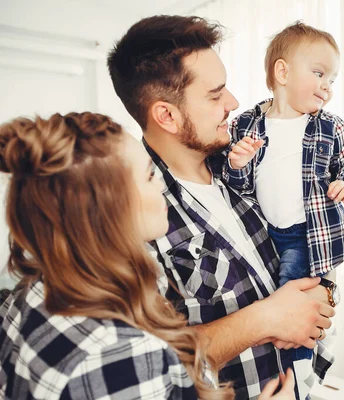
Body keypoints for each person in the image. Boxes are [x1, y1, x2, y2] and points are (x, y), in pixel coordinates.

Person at [107, 16, 335, 399]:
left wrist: (323, 292)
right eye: (215, 95)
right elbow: (144, 365)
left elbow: (306, 239)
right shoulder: (133, 213)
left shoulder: (245, 163)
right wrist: (265, 319)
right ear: (167, 115)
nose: (233, 103)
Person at [0, 112, 295, 399]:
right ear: (109, 209)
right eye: (149, 175)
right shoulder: (121, 357)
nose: (160, 187)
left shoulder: (28, 294)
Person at [223, 22, 344, 361]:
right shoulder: (246, 124)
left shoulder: (329, 126)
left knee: (294, 295)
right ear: (282, 72)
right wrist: (238, 164)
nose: (327, 87)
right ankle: (273, 361)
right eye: (319, 74)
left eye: (332, 80)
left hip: (308, 234)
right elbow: (235, 188)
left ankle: (296, 367)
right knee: (264, 296)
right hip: (263, 232)